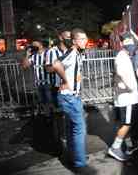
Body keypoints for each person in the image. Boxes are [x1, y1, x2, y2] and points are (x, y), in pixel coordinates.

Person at [52, 28, 89, 173]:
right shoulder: (72, 53)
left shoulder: (78, 53)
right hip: (69, 97)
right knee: (79, 129)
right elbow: (55, 64)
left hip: (71, 96)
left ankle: (73, 156)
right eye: (81, 39)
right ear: (74, 41)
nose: (84, 41)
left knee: (71, 128)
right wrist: (66, 80)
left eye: (85, 38)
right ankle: (80, 164)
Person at [107, 33, 138, 161]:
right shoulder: (122, 56)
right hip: (127, 97)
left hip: (126, 97)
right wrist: (131, 86)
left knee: (126, 123)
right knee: (127, 123)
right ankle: (115, 148)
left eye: (131, 42)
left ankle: (124, 146)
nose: (130, 45)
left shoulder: (124, 55)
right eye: (127, 42)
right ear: (121, 43)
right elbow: (121, 72)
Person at [22, 36, 53, 117]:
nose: (33, 46)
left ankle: (49, 114)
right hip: (38, 82)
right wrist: (27, 55)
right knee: (41, 99)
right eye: (32, 45)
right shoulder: (33, 56)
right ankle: (47, 113)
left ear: (41, 45)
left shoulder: (48, 53)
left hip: (48, 81)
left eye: (35, 44)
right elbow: (25, 66)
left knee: (49, 99)